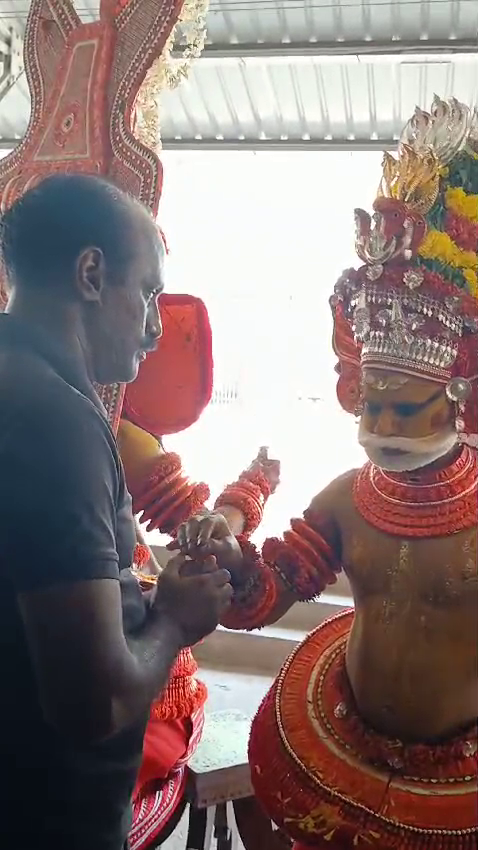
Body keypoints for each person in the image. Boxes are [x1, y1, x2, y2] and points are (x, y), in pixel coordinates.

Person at [173, 96, 478, 848]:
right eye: (370, 407)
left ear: (462, 394)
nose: (378, 429)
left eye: (404, 412)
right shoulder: (347, 498)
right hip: (346, 736)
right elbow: (272, 592)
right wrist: (234, 561)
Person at [0, 173, 234, 850]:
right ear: (92, 275)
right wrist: (175, 620)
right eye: (150, 293)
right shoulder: (55, 421)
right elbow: (93, 705)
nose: (157, 329)